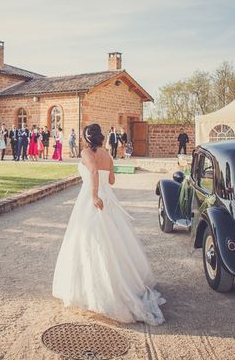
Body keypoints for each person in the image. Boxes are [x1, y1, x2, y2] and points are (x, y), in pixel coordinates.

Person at [52, 123, 165, 326]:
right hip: (108, 197)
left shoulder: (87, 153)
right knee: (114, 239)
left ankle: (99, 292)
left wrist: (94, 195)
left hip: (92, 198)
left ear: (87, 138)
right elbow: (111, 180)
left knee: (91, 240)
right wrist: (103, 183)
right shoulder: (108, 155)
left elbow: (93, 172)